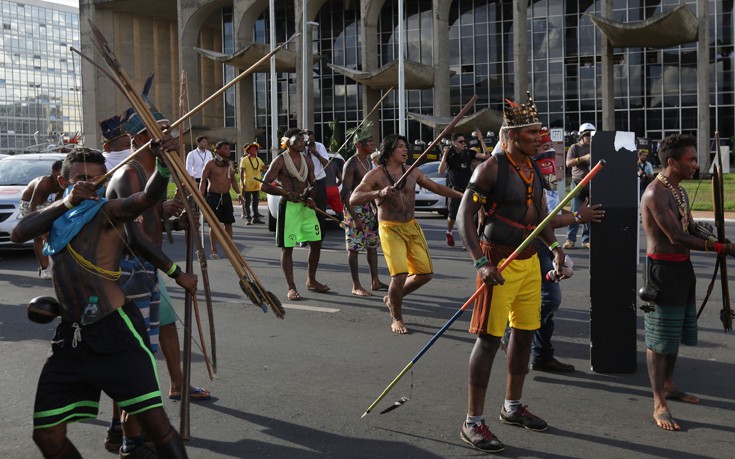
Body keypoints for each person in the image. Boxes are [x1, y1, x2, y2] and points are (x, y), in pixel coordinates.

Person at [11, 147, 190, 459]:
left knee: (156, 426)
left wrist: (162, 168)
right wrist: (67, 202)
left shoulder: (108, 212)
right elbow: (19, 232)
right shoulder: (55, 217)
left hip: (115, 332)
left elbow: (146, 199)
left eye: (97, 178)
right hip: (71, 338)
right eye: (81, 178)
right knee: (46, 434)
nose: (90, 184)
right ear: (61, 180)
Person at [456, 95, 565, 453]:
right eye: (533, 132)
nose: (539, 136)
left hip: (530, 261)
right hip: (497, 262)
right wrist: (480, 263)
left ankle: (513, 406)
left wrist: (556, 249)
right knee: (489, 339)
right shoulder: (490, 168)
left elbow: (538, 217)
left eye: (539, 131)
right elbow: (463, 220)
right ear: (514, 135)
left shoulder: (533, 166)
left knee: (524, 334)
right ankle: (473, 422)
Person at [105, 106, 205, 456]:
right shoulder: (128, 175)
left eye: (170, 131)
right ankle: (133, 435)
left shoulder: (151, 173)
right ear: (141, 139)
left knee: (143, 349)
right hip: (129, 272)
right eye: (162, 132)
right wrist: (177, 273)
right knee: (136, 356)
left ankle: (125, 426)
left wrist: (178, 220)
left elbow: (151, 216)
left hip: (146, 271)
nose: (171, 138)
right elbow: (133, 236)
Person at [501, 128, 605, 372]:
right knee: (548, 299)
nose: (550, 160)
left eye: (551, 154)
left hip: (543, 246)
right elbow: (540, 221)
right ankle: (512, 332)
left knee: (548, 299)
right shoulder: (521, 178)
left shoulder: (545, 179)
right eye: (542, 154)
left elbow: (551, 213)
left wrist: (557, 247)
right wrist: (579, 216)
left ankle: (541, 354)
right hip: (521, 247)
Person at [641, 133, 722, 431]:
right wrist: (717, 248)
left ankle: (670, 385)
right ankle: (658, 401)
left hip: (682, 269)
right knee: (659, 340)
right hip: (662, 272)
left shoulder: (678, 191)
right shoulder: (654, 193)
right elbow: (676, 236)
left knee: (674, 333)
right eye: (690, 159)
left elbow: (689, 225)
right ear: (672, 162)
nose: (695, 164)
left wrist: (715, 238)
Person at [351, 134, 462, 334]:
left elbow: (436, 187)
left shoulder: (412, 172)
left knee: (425, 274)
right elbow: (354, 198)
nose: (405, 150)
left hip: (411, 227)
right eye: (400, 146)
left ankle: (392, 298)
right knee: (400, 275)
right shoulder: (376, 175)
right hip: (389, 228)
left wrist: (463, 196)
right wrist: (380, 193)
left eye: (406, 146)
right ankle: (397, 318)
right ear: (389, 150)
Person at [260, 128, 330, 301]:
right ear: (288, 142)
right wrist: (285, 193)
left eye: (303, 140)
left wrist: (311, 198)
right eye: (298, 140)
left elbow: (312, 183)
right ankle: (291, 287)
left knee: (316, 242)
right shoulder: (280, 161)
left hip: (306, 207)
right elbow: (265, 186)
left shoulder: (308, 160)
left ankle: (311, 280)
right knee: (288, 247)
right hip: (289, 207)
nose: (302, 143)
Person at [340, 127, 388, 296]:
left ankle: (375, 280)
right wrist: (355, 218)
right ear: (359, 144)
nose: (373, 144)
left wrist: (376, 210)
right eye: (369, 142)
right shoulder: (351, 163)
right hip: (354, 209)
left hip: (369, 208)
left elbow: (372, 189)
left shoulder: (369, 163)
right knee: (354, 248)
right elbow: (345, 193)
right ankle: (356, 285)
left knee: (372, 245)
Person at [438, 131, 489, 247]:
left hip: (467, 189)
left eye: (464, 142)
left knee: (468, 215)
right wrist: (445, 155)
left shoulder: (468, 153)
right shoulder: (450, 154)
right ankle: (449, 231)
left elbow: (486, 156)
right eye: (460, 142)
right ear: (454, 142)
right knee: (452, 216)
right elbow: (440, 170)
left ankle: (467, 241)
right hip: (454, 189)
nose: (463, 144)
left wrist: (481, 139)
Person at [20, 159, 63, 279]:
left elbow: (58, 202)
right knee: (39, 236)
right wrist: (38, 226)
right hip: (29, 204)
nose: (62, 175)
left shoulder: (63, 182)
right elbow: (32, 205)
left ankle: (54, 265)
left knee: (52, 232)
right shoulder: (44, 182)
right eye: (60, 172)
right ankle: (44, 269)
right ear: (53, 172)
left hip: (44, 204)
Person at [199, 141, 243, 260]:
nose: (228, 150)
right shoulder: (210, 164)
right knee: (214, 225)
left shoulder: (229, 164)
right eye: (225, 148)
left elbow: (233, 180)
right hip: (213, 197)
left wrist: (239, 193)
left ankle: (229, 249)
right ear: (218, 151)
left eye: (229, 148)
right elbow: (203, 181)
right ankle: (214, 250)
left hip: (226, 196)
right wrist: (201, 196)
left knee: (228, 223)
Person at [563, 122, 596, 249]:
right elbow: (568, 163)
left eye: (591, 135)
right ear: (582, 136)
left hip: (592, 183)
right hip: (578, 183)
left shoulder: (596, 146)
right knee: (575, 212)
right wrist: (583, 159)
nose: (589, 137)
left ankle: (586, 239)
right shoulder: (574, 147)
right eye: (587, 135)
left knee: (589, 212)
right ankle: (570, 239)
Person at [306, 130, 330, 237]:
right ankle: (305, 237)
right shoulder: (300, 149)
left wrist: (316, 154)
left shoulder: (320, 147)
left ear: (314, 138)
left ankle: (320, 237)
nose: (309, 143)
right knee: (305, 210)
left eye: (311, 140)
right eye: (306, 141)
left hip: (319, 181)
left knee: (320, 211)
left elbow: (326, 164)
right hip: (305, 183)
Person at [239, 141, 266, 224]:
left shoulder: (258, 159)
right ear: (248, 151)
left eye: (255, 149)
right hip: (247, 184)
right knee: (247, 202)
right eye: (252, 149)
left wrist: (272, 165)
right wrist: (243, 183)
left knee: (256, 202)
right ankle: (248, 218)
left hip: (257, 184)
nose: (254, 150)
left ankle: (256, 218)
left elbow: (264, 167)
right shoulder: (244, 160)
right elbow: (241, 172)